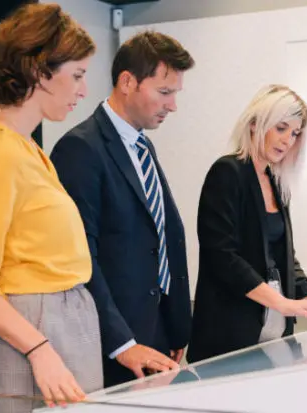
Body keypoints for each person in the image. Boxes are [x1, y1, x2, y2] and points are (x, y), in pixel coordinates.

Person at [0, 4, 101, 412]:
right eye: (77, 75)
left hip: (57, 323)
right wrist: (39, 348)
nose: (84, 90)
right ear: (40, 71)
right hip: (28, 334)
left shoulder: (25, 148)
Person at [49, 31, 195, 388]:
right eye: (165, 92)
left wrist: (175, 325)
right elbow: (81, 257)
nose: (173, 106)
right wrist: (122, 343)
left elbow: (160, 237)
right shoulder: (80, 149)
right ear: (127, 82)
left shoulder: (142, 146)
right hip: (115, 344)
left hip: (157, 332)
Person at [186, 85, 307, 363]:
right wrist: (282, 303)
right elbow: (222, 256)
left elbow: (285, 257)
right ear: (255, 124)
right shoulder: (228, 172)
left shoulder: (277, 182)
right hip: (230, 336)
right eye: (281, 128)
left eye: (294, 133)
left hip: (275, 336)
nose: (287, 140)